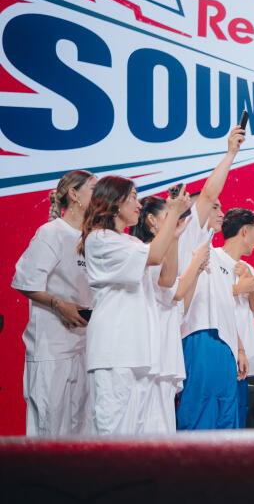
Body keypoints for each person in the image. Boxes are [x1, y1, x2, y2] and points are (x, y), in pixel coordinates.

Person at [78, 176, 191, 434]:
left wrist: (172, 237)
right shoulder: (100, 239)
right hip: (114, 354)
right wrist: (171, 213)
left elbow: (166, 279)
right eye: (132, 197)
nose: (139, 204)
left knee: (135, 441)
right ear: (113, 202)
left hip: (139, 355)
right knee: (113, 437)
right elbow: (154, 256)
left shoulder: (131, 243)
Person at [176, 127, 252, 430]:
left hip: (224, 346)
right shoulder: (188, 240)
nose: (220, 210)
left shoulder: (219, 256)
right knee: (200, 420)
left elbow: (225, 308)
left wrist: (239, 348)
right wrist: (231, 152)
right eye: (216, 207)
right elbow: (208, 193)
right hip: (198, 338)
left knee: (226, 423)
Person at [12, 170, 97, 435]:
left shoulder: (92, 239)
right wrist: (60, 306)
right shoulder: (51, 233)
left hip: (85, 348)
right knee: (50, 433)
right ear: (74, 194)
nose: (101, 197)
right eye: (94, 190)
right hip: (52, 350)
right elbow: (25, 281)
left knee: (83, 432)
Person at [129, 196, 210, 433]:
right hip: (150, 352)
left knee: (163, 422)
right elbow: (170, 289)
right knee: (147, 424)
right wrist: (195, 263)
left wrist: (196, 269)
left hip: (165, 347)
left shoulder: (161, 253)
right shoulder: (144, 253)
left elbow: (179, 299)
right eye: (169, 216)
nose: (175, 222)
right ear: (151, 220)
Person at [215, 208, 254, 427]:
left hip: (246, 359)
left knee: (242, 419)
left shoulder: (248, 267)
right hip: (222, 351)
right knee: (222, 417)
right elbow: (206, 300)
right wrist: (237, 288)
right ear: (245, 231)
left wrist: (251, 286)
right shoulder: (213, 258)